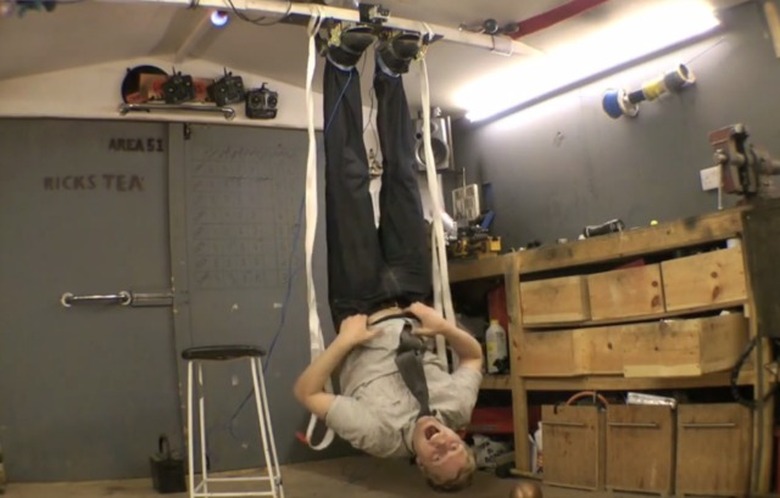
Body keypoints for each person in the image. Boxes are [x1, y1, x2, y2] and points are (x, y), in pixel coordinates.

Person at [293, 23, 484, 492]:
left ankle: (340, 64)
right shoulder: (457, 409)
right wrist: (443, 328)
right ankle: (390, 72)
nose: (443, 445)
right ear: (461, 440)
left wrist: (344, 343)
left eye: (437, 457)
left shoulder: (377, 435)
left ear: (420, 465)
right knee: (402, 181)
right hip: (412, 295)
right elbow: (474, 357)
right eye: (455, 448)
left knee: (349, 184)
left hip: (360, 305)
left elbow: (307, 392)